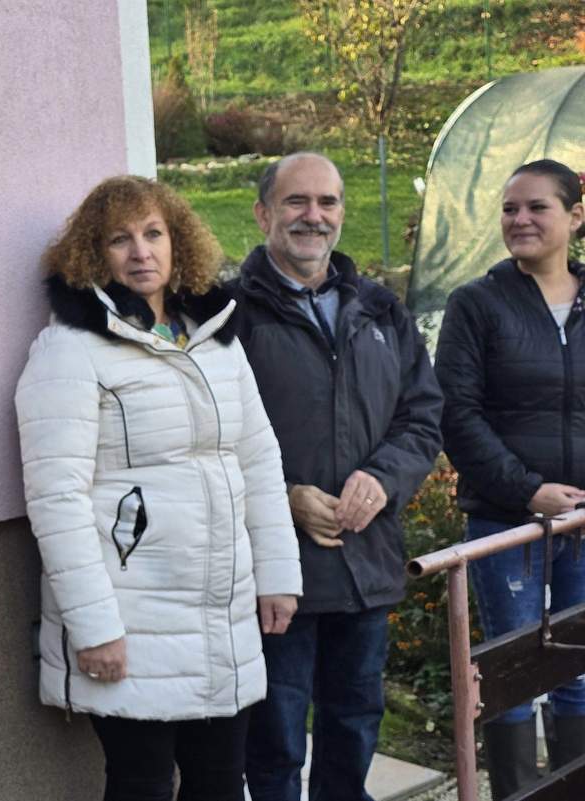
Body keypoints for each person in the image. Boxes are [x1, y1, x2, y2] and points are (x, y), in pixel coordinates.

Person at [14, 175, 302, 801]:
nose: (141, 252)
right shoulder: (69, 350)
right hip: (131, 618)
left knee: (221, 782)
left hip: (221, 617)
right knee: (142, 785)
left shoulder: (216, 340)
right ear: (95, 255)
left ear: (179, 245)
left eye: (154, 234)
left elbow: (258, 457)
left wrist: (279, 573)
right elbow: (56, 498)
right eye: (121, 239)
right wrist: (94, 628)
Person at [229, 152, 442, 801]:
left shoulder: (380, 309)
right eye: (297, 201)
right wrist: (283, 497)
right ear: (264, 212)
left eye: (328, 202)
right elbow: (204, 435)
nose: (313, 216)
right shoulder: (229, 316)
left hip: (365, 561)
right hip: (277, 571)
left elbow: (423, 413)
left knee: (354, 727)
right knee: (275, 740)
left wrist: (385, 477)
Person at [435, 159, 585, 797]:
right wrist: (527, 489)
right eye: (508, 209)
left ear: (576, 217)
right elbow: (456, 415)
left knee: (579, 668)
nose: (519, 220)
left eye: (536, 208)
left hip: (584, 521)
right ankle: (517, 792)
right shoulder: (477, 304)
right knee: (510, 666)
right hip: (507, 521)